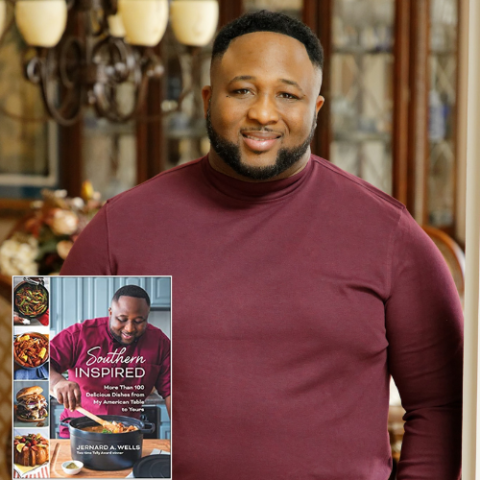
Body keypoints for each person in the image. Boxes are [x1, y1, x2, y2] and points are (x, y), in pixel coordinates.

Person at [60, 10, 463, 480]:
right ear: (209, 100)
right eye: (242, 90)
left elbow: (441, 405)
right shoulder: (120, 226)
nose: (263, 113)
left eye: (287, 95)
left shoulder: (388, 233)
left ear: (315, 110)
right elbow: (51, 386)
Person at [49, 285, 170, 438]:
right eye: (122, 319)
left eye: (139, 321)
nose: (130, 328)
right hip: (77, 432)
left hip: (126, 433)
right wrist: (56, 382)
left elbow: (172, 391)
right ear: (110, 313)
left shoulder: (160, 343)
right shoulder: (78, 335)